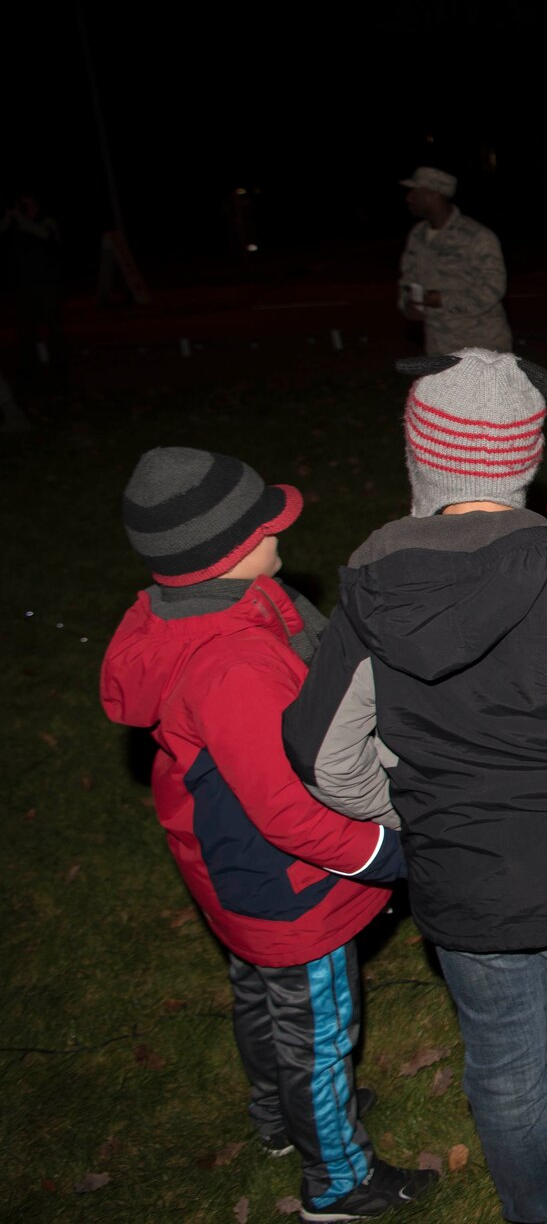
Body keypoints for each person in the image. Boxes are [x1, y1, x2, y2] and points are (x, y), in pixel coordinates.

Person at [284, 350, 547, 1224]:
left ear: (421, 458)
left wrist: (410, 810)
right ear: (525, 459)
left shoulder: (368, 602)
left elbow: (326, 758)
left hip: (458, 884)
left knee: (504, 1064)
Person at [100, 449, 432, 1223]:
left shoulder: (185, 610)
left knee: (261, 996)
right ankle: (338, 1180)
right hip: (287, 886)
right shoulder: (237, 666)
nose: (285, 523)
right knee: (317, 1026)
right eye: (264, 523)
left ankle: (281, 1115)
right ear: (221, 553)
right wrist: (388, 853)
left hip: (225, 866)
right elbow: (289, 809)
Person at [396, 167, 511, 356]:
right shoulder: (417, 236)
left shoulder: (477, 236)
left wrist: (442, 300)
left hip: (481, 346)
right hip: (438, 346)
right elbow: (408, 280)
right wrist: (409, 304)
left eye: (415, 192)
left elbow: (493, 289)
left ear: (433, 194)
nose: (409, 198)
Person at [2, 193, 64, 377]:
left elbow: (44, 235)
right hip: (22, 285)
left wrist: (20, 219)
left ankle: (59, 363)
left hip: (48, 283)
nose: (26, 208)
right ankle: (31, 364)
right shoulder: (14, 226)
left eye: (29, 204)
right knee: (25, 327)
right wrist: (9, 217)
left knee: (54, 325)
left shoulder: (47, 221)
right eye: (22, 205)